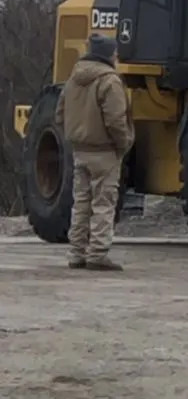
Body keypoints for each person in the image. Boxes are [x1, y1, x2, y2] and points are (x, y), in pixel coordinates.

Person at [54, 33, 134, 271]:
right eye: (115, 52)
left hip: (80, 151)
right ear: (109, 54)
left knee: (81, 203)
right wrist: (124, 144)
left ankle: (76, 253)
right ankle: (97, 253)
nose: (117, 56)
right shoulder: (110, 81)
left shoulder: (73, 79)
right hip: (105, 152)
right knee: (103, 203)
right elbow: (116, 120)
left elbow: (59, 114)